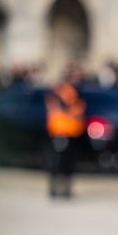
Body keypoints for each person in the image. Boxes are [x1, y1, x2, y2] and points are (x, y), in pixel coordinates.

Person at [43, 70, 86, 198]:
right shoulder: (62, 93)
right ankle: (56, 189)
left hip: (71, 132)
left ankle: (63, 189)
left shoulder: (75, 94)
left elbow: (79, 110)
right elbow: (63, 108)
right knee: (58, 162)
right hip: (61, 131)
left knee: (67, 162)